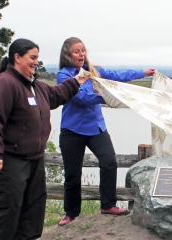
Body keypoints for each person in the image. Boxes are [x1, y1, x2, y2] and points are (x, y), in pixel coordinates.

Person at [0, 38, 90, 240]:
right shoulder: (4, 84)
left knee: (34, 202)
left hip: (34, 156)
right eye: (32, 57)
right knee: (9, 206)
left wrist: (78, 80)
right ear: (17, 58)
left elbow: (56, 95)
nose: (36, 62)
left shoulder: (36, 85)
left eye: (37, 58)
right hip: (9, 158)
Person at [56, 37, 155, 226]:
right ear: (67, 54)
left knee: (109, 161)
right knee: (72, 173)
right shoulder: (64, 75)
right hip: (72, 130)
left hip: (95, 127)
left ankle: (108, 204)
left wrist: (142, 73)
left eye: (83, 50)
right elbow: (82, 98)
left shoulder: (94, 71)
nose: (81, 54)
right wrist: (107, 97)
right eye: (77, 51)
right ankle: (71, 213)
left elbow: (117, 76)